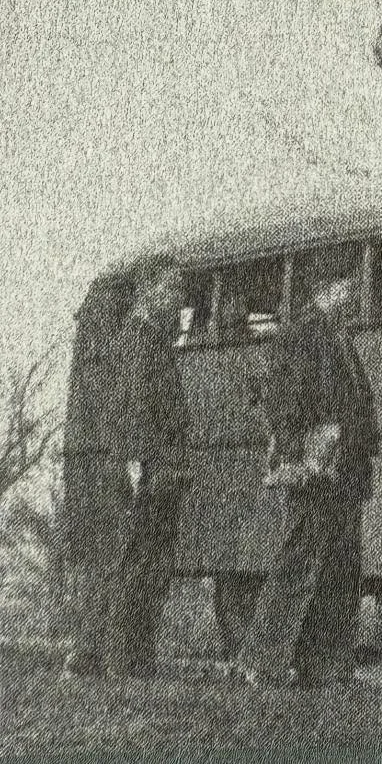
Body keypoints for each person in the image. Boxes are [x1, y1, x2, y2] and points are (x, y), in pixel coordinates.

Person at [236, 266, 378, 688]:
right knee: (301, 563)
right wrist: (299, 458)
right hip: (317, 471)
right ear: (324, 287)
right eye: (346, 285)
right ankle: (261, 660)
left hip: (345, 470)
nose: (353, 293)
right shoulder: (300, 335)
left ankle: (327, 667)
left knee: (339, 569)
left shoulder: (338, 335)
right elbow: (285, 405)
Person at [64, 259, 191, 679]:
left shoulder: (145, 339)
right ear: (149, 290)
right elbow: (131, 408)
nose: (178, 298)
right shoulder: (140, 340)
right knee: (138, 563)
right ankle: (126, 660)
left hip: (153, 464)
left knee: (138, 562)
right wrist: (137, 463)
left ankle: (116, 657)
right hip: (148, 467)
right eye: (171, 288)